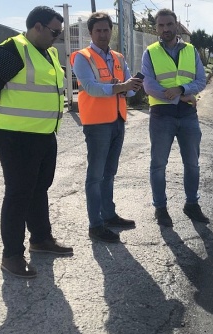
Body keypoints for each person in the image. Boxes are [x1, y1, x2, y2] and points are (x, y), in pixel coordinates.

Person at [0, 6, 73, 279]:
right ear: (38, 27)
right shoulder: (13, 50)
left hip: (44, 134)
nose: (57, 37)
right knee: (18, 194)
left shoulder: (49, 53)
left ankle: (41, 239)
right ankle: (11, 256)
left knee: (39, 188)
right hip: (15, 137)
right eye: (54, 31)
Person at [71, 12, 143, 243]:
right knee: (95, 175)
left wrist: (133, 87)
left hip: (118, 120)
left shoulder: (119, 57)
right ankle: (96, 224)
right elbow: (91, 88)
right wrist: (120, 86)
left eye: (106, 30)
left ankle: (109, 215)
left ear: (111, 31)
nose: (103, 34)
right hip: (97, 123)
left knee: (109, 173)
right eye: (98, 30)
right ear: (91, 33)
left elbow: (129, 90)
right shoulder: (83, 57)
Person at [141, 8, 210, 227]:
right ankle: (160, 208)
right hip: (162, 115)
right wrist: (179, 98)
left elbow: (201, 80)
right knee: (158, 165)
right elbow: (149, 85)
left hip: (188, 116)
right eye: (161, 26)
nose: (165, 29)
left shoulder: (190, 50)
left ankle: (191, 204)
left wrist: (182, 88)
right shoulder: (150, 52)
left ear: (176, 24)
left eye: (169, 24)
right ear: (156, 28)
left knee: (192, 164)